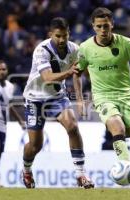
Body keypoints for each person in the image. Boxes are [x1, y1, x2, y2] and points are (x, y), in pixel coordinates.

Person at [74, 7, 130, 186]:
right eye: (99, 26)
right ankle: (125, 165)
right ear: (93, 26)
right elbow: (76, 73)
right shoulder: (85, 48)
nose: (103, 30)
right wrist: (80, 100)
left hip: (126, 96)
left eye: (106, 26)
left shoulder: (125, 43)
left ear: (112, 24)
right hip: (103, 97)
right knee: (116, 126)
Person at [22, 17, 94, 189]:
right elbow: (47, 78)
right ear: (50, 35)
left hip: (56, 97)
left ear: (69, 33)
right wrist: (69, 72)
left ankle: (81, 174)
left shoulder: (75, 49)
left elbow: (77, 74)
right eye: (58, 36)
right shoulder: (42, 50)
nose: (62, 40)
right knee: (35, 145)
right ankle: (26, 169)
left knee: (72, 127)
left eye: (65, 36)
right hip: (35, 98)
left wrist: (80, 99)